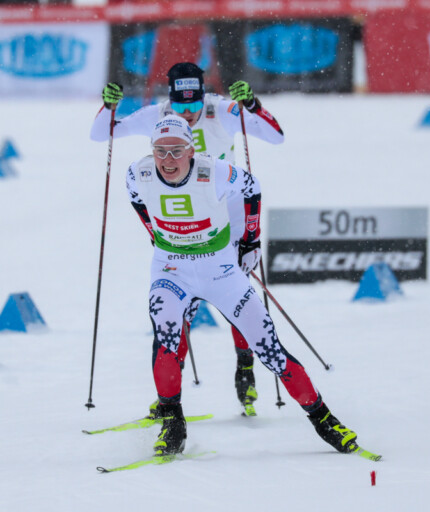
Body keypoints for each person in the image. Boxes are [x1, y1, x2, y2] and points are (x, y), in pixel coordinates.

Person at [127, 114, 363, 456]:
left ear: (192, 150)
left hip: (220, 271)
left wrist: (251, 241)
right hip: (171, 269)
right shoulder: (139, 172)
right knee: (166, 337)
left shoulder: (213, 172)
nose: (168, 160)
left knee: (270, 349)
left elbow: (252, 187)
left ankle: (324, 420)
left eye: (177, 151)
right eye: (161, 151)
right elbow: (136, 199)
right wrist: (155, 235)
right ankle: (173, 424)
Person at [91, 62, 284, 417]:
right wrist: (107, 107)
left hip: (231, 221)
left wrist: (253, 105)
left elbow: (276, 137)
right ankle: (169, 396)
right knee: (178, 311)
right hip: (186, 224)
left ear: (202, 95)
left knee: (240, 301)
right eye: (181, 107)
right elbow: (103, 135)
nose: (189, 114)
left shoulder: (222, 109)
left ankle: (245, 368)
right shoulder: (158, 116)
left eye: (194, 105)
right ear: (170, 99)